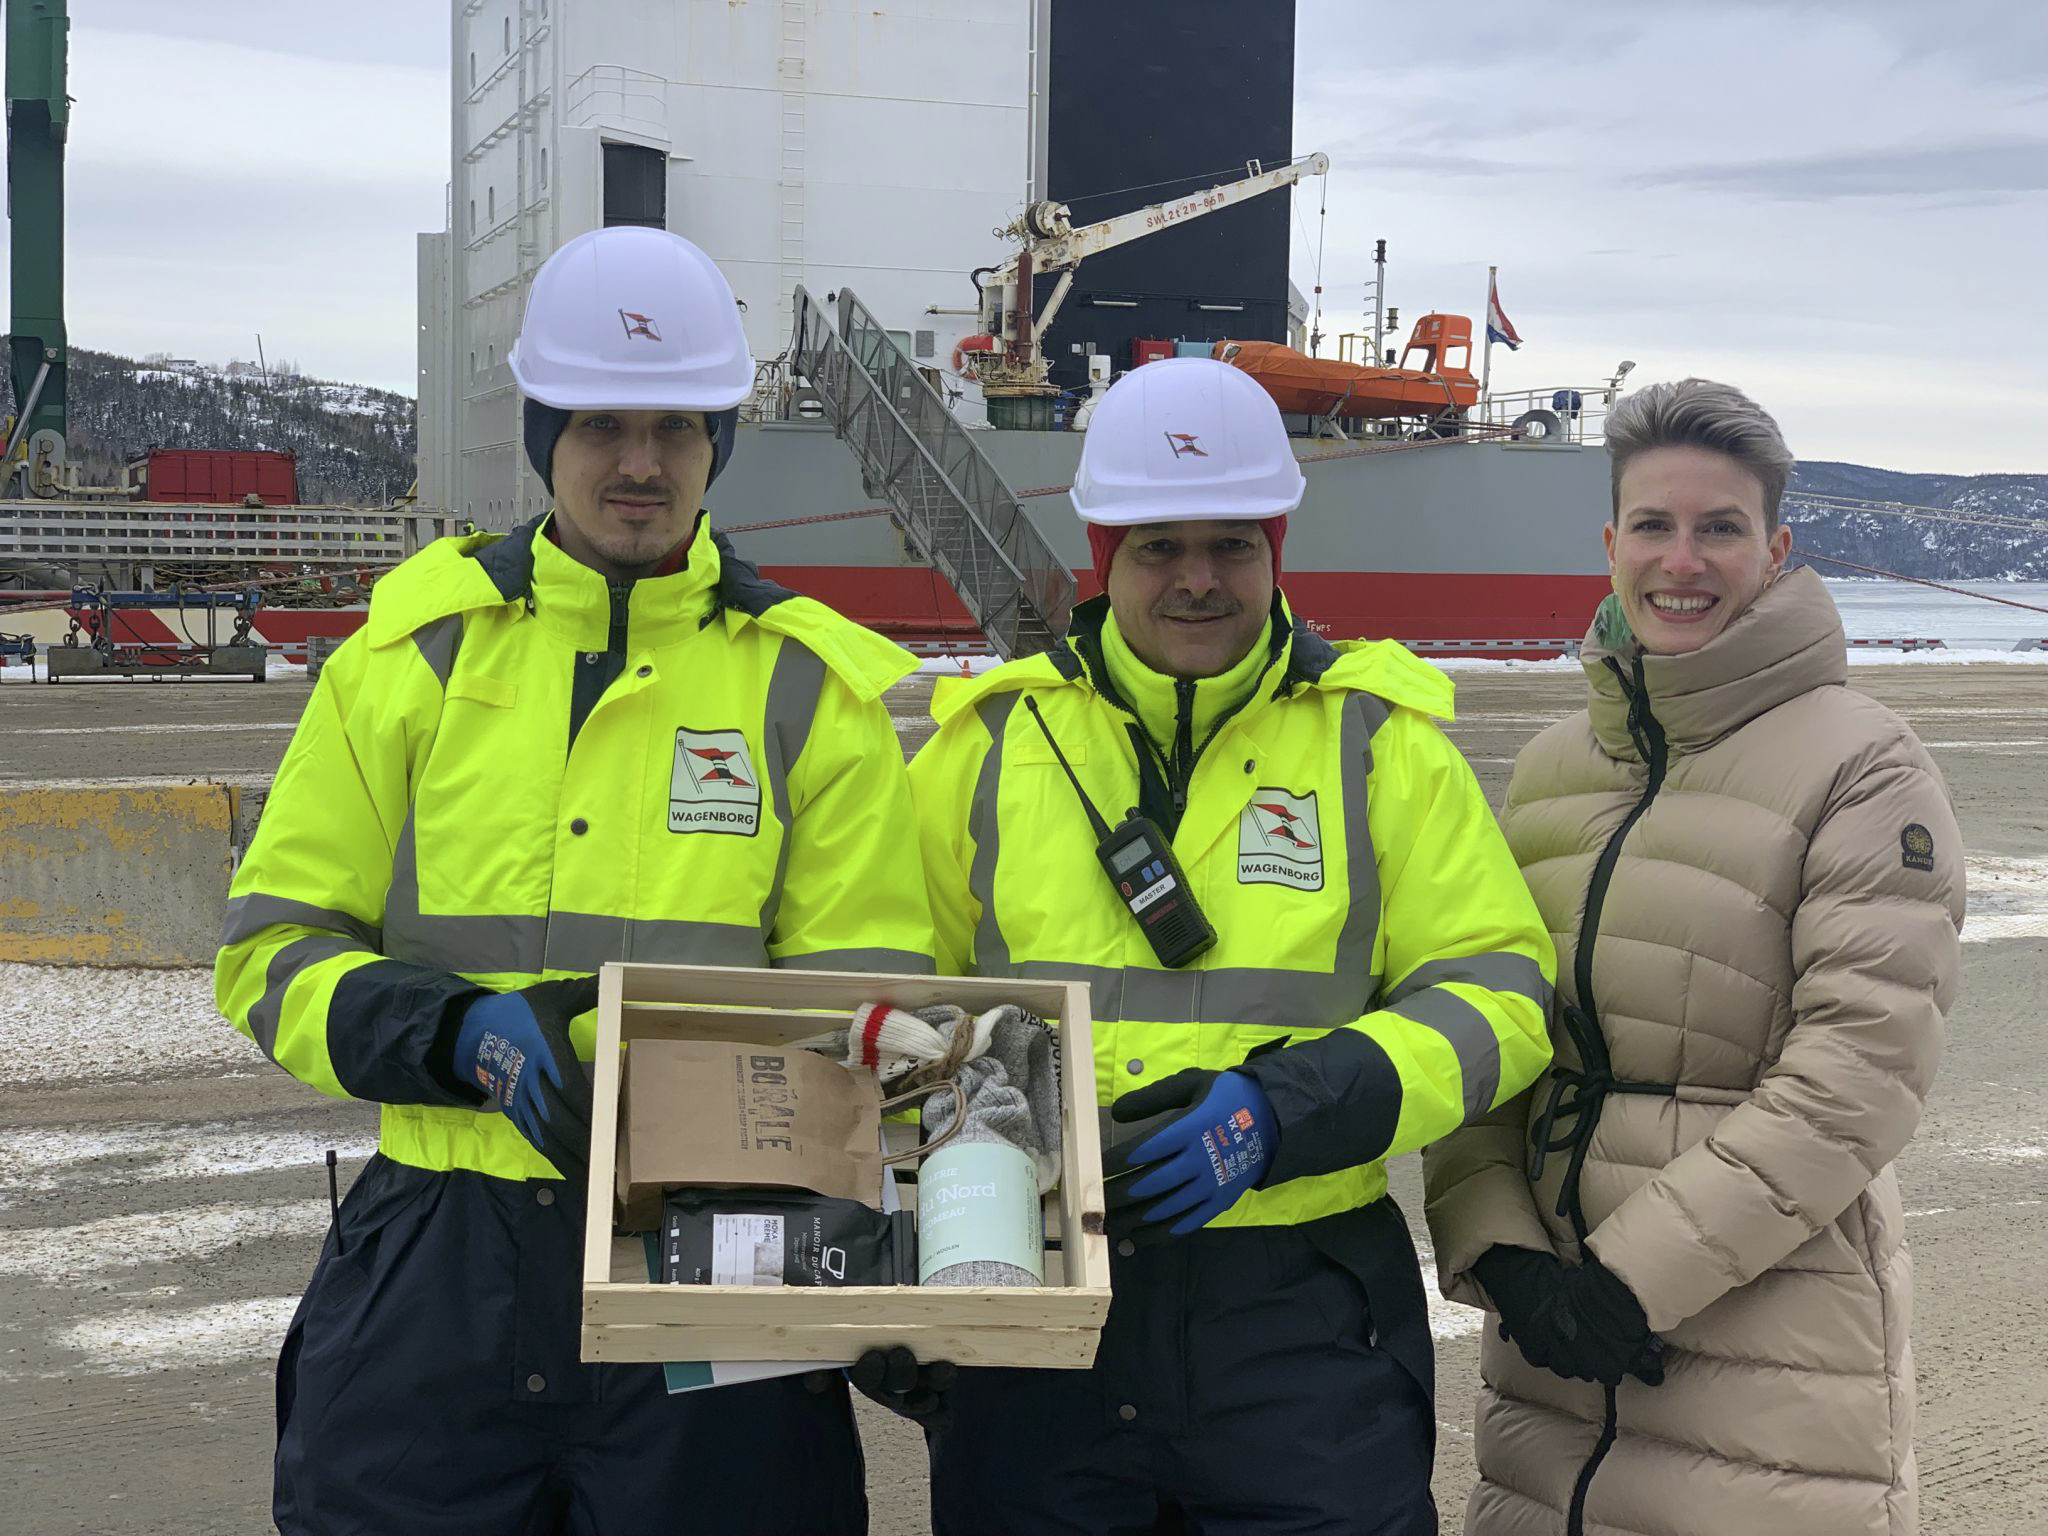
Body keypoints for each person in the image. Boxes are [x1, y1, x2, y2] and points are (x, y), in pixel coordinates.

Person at [215, 225, 936, 1535]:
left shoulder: (809, 690)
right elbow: (272, 951)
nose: (639, 464)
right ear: (544, 433)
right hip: (443, 1251)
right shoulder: (412, 660)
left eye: (675, 429)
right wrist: (454, 1034)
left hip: (711, 1252)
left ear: (719, 442)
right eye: (601, 424)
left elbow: (869, 996)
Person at [908, 356, 1556, 1534]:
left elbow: (1498, 997)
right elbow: (892, 1007)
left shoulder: (1378, 745)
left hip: (1300, 1321)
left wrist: (1284, 1110)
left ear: (1275, 551)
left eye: (1231, 546)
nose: (1197, 579)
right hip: (1040, 1303)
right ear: (1104, 556)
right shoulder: (987, 747)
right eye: (1158, 547)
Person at [1423, 378, 1965, 1536]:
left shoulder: (1862, 766)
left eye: (1718, 528)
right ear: (1608, 546)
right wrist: (1496, 1249)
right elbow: (1487, 1026)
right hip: (1548, 1350)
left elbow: (1857, 1073)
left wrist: (1632, 1281)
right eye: (1653, 526)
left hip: (1765, 1334)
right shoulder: (1551, 769)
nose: (1681, 561)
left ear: (1773, 551)